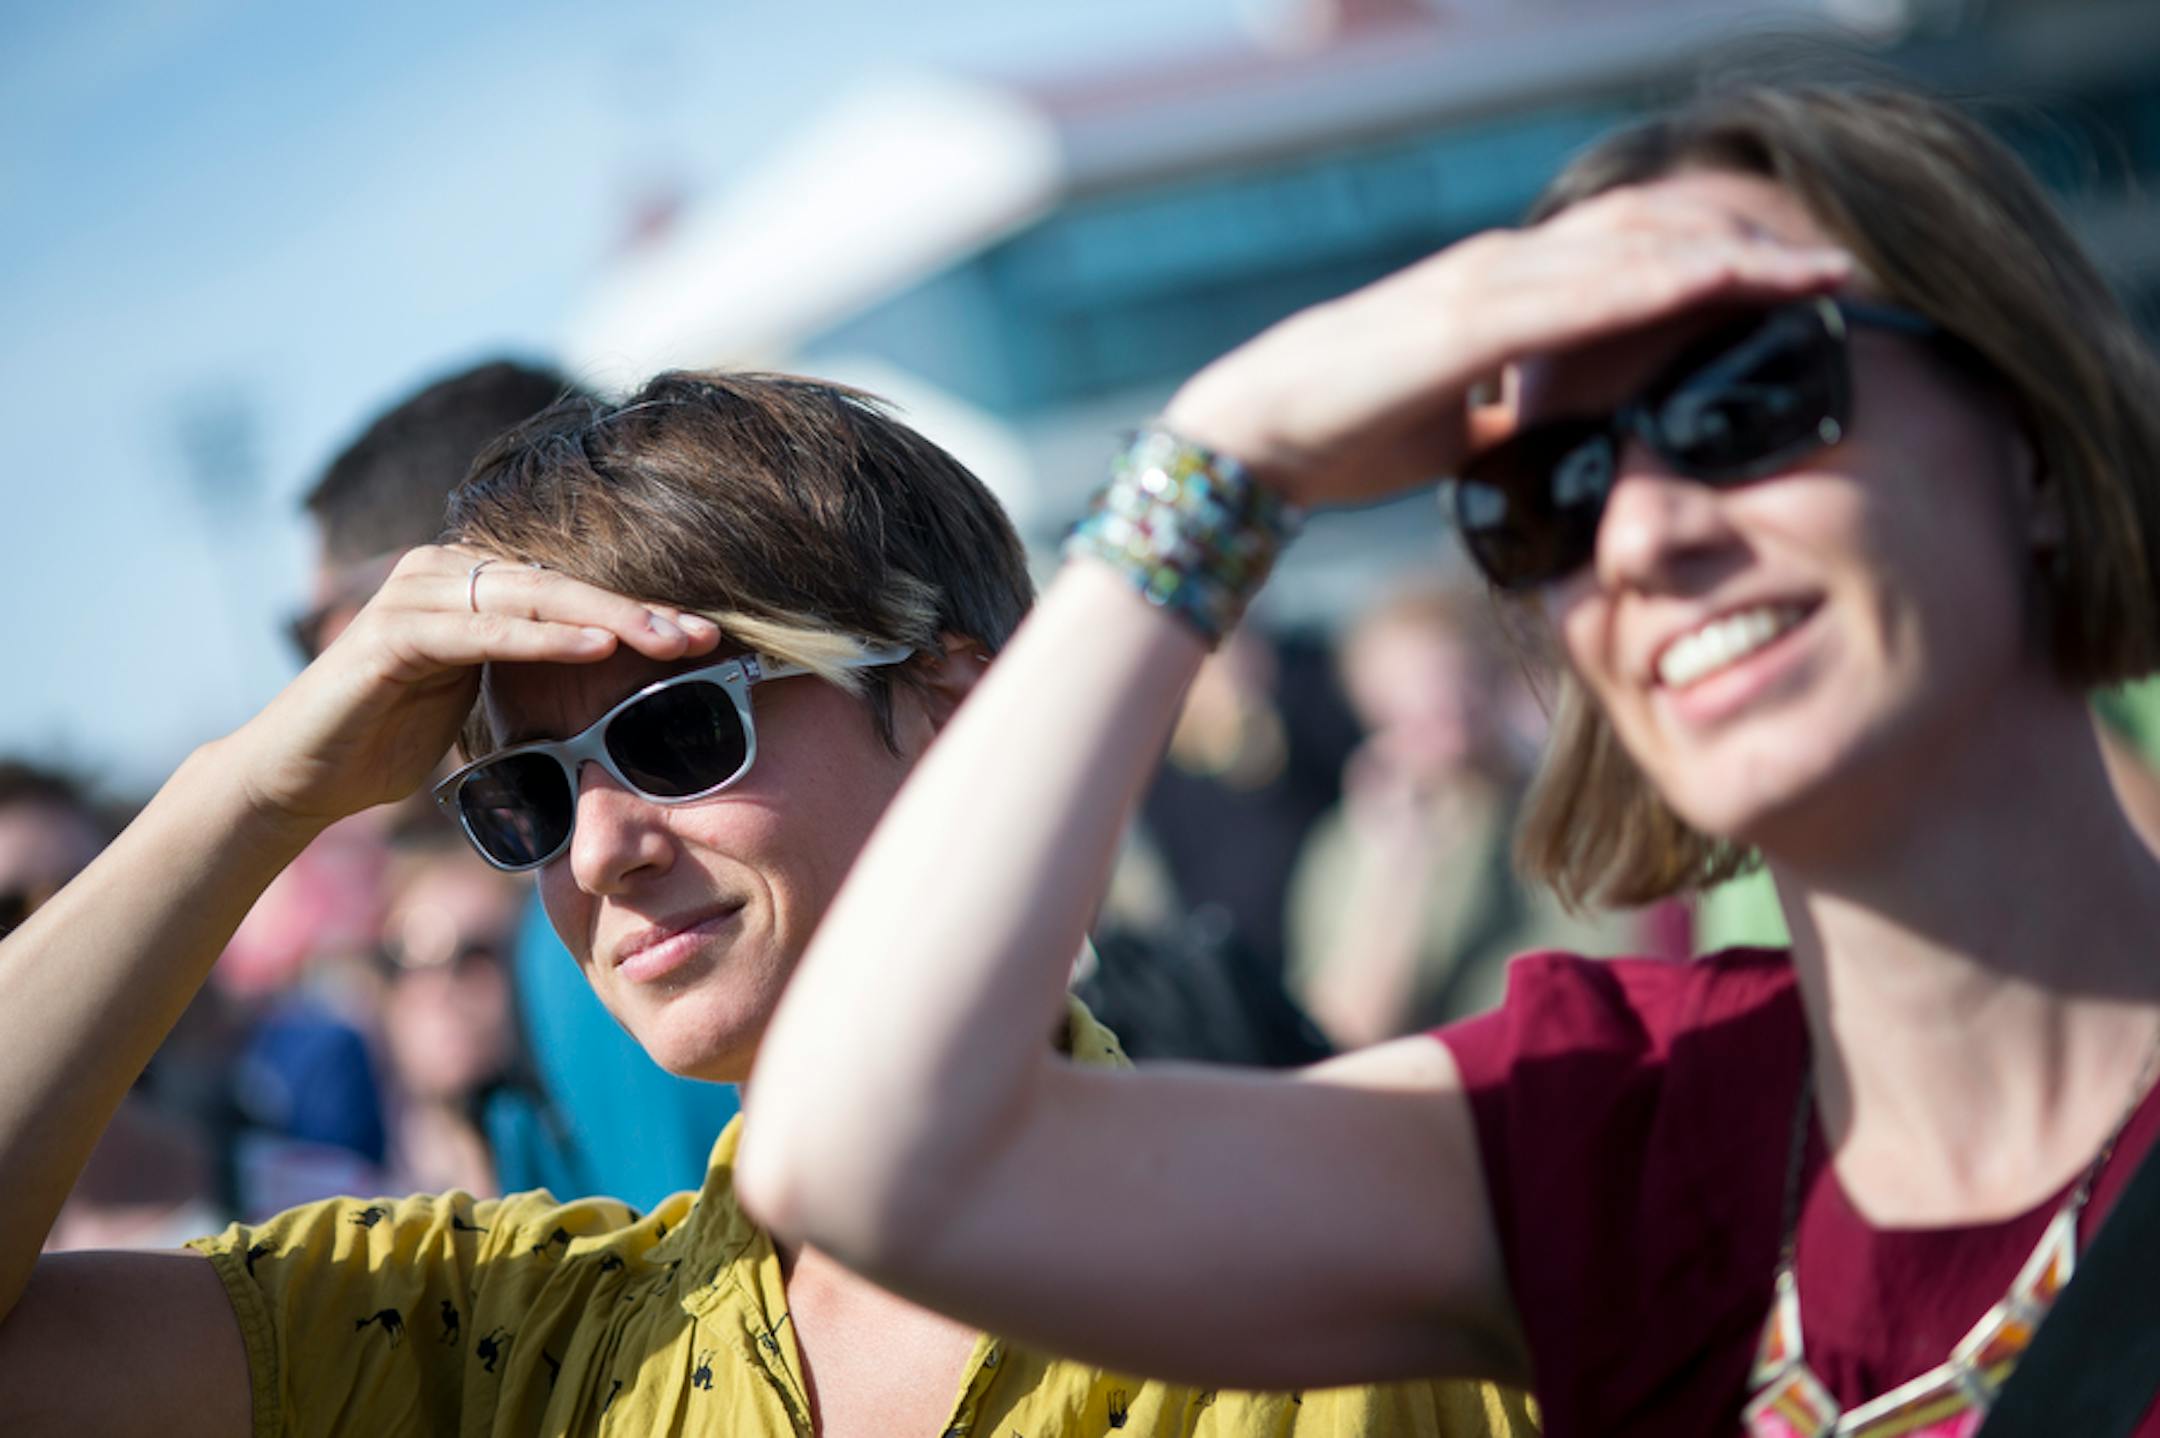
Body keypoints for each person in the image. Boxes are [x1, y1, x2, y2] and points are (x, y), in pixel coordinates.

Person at [735, 81, 2160, 1435]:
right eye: (1549, 490)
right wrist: (1233, 452)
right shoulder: (1618, 1130)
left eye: (1748, 400)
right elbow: (859, 1156)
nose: (1645, 533)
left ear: (2030, 440)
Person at [0, 373, 1531, 1436]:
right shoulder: (518, 1341)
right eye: (524, 798)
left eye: (679, 732)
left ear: (958, 712)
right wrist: (249, 791)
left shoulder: (1361, 1252)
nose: (596, 848)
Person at [297, 356, 742, 1207]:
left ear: (413, 589)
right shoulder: (563, 915)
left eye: (310, 627)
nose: (312, 673)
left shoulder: (641, 918)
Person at [1286, 584, 1632, 1042]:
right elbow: (1344, 1035)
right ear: (1373, 709)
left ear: (1489, 679)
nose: (1440, 705)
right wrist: (1398, 867)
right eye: (1408, 691)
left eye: (1449, 676)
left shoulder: (1575, 812)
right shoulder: (1350, 851)